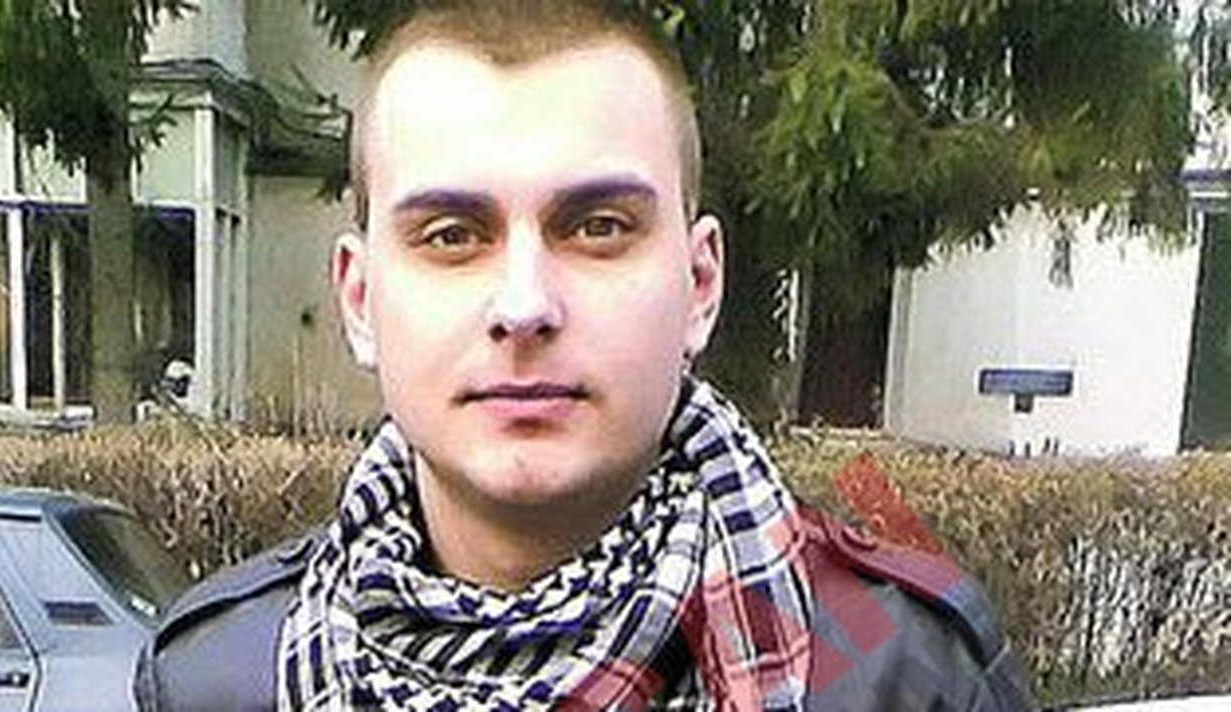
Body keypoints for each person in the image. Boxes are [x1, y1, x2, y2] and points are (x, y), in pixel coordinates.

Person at [135, 1, 1037, 709]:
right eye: (452, 236)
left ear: (700, 284)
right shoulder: (219, 680)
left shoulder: (910, 677)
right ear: (361, 300)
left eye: (598, 227)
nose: (524, 306)